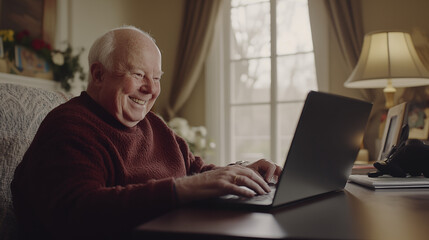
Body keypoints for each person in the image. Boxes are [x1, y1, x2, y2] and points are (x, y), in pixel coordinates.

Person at [11, 26, 282, 240]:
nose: (151, 89)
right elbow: (79, 214)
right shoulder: (69, 128)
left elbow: (195, 171)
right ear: (98, 75)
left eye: (157, 77)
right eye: (139, 74)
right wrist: (180, 189)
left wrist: (242, 173)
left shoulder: (154, 125)